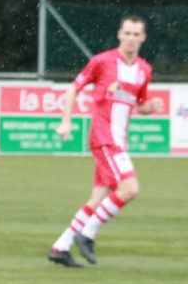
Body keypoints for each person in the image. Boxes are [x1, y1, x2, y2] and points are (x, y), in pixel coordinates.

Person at [47, 16, 162, 268]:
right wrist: (66, 121)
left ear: (143, 38)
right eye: (127, 33)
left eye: (136, 34)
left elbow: (139, 105)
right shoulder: (102, 62)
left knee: (99, 198)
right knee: (130, 189)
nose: (131, 38)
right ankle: (87, 234)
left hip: (119, 140)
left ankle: (60, 247)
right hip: (103, 136)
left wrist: (150, 107)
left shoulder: (144, 70)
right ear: (119, 34)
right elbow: (73, 88)